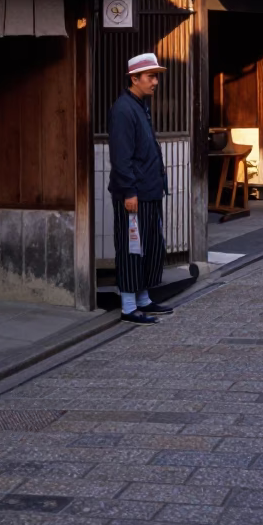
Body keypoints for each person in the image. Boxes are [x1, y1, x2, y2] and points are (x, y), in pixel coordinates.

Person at [108, 52, 173, 324]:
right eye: (150, 76)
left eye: (156, 76)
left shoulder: (139, 105)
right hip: (134, 193)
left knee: (149, 245)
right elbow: (121, 156)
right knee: (132, 247)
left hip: (148, 190)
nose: (155, 82)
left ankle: (143, 299)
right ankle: (128, 306)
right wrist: (129, 191)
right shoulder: (124, 109)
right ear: (134, 79)